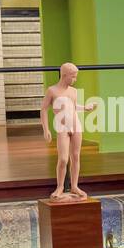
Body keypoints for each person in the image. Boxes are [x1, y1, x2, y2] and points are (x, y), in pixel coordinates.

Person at [41, 63, 92, 200]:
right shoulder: (52, 91)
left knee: (75, 157)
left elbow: (73, 107)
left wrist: (85, 108)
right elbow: (44, 109)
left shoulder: (73, 91)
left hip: (76, 126)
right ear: (64, 75)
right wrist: (46, 129)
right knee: (63, 159)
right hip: (62, 128)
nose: (75, 79)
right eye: (73, 77)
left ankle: (74, 185)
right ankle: (60, 186)